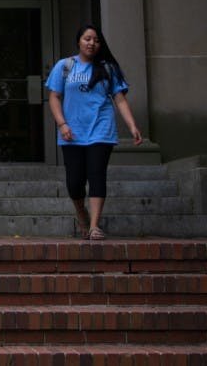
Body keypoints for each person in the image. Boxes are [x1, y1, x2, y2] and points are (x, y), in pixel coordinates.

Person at [45, 24, 143, 240]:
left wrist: (132, 126)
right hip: (72, 132)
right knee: (74, 182)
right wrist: (62, 124)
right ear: (79, 41)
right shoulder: (65, 66)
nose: (92, 43)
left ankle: (94, 226)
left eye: (96, 40)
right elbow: (54, 97)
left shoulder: (108, 69)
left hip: (101, 129)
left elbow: (119, 99)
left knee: (97, 175)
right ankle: (82, 213)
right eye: (87, 39)